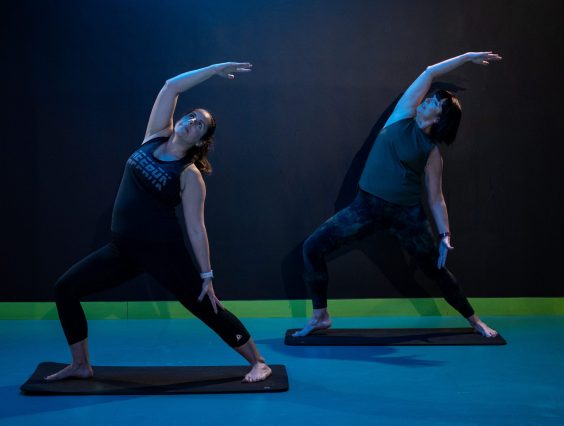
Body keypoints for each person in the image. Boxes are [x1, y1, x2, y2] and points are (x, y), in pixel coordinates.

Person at [46, 62, 272, 383]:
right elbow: (171, 86)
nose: (191, 122)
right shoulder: (154, 136)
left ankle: (259, 362)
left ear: (200, 141)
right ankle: (81, 365)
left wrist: (207, 276)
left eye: (199, 125)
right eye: (191, 116)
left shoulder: (189, 175)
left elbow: (196, 228)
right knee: (66, 289)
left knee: (206, 305)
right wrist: (214, 69)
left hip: (163, 253)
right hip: (123, 249)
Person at [294, 52, 502, 338]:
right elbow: (429, 71)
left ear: (439, 118)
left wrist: (445, 235)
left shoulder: (432, 152)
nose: (426, 100)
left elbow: (436, 198)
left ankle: (475, 320)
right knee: (312, 247)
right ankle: (320, 317)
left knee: (436, 271)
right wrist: (467, 57)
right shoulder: (402, 116)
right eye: (429, 98)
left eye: (433, 103)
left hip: (407, 216)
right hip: (365, 207)